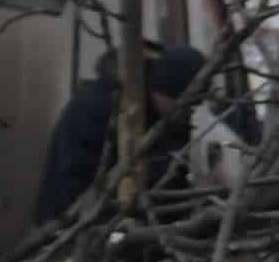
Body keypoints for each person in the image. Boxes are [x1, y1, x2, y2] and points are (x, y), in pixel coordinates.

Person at [31, 33, 207, 237]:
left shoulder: (162, 116)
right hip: (70, 229)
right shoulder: (100, 109)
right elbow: (79, 182)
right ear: (165, 92)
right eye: (187, 106)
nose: (189, 114)